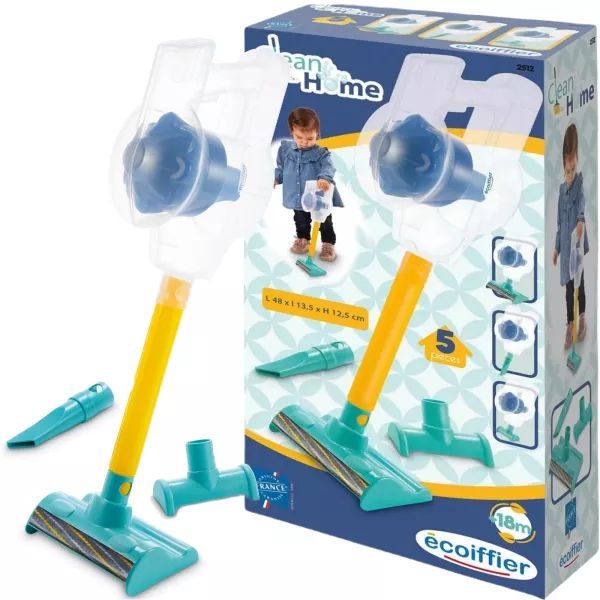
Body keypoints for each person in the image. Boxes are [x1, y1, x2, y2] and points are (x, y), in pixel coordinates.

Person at [274, 107, 343, 262]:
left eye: (310, 138)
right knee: (300, 219)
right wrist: (276, 178)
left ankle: (328, 244)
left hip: (318, 195)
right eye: (299, 137)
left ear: (317, 134)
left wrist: (324, 178)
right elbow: (281, 167)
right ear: (292, 132)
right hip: (298, 194)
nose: (304, 142)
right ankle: (303, 239)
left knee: (324, 221)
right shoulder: (285, 150)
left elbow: (328, 167)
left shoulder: (321, 153)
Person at [552, 123, 589, 349]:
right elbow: (558, 223)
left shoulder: (579, 184)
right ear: (563, 167)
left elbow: (582, 203)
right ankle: (570, 324)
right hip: (566, 247)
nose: (570, 175)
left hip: (578, 242)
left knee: (580, 282)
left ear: (577, 162)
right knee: (568, 287)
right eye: (567, 171)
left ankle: (582, 317)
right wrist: (556, 249)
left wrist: (581, 220)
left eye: (573, 170)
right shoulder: (561, 190)